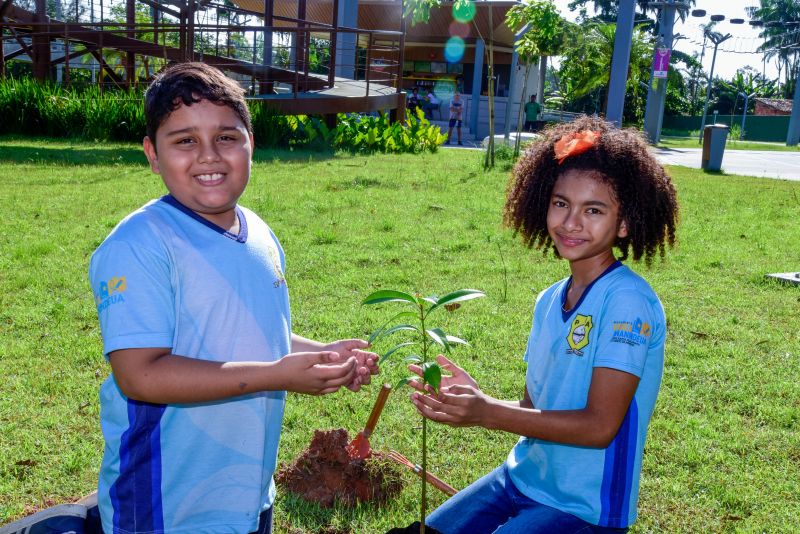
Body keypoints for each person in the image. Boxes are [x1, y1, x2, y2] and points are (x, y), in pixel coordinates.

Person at [88, 62, 379, 534]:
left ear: (251, 144)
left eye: (227, 137)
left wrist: (320, 354)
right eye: (184, 140)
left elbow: (254, 336)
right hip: (166, 504)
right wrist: (275, 374)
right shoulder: (138, 245)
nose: (209, 156)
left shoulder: (259, 232)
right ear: (153, 155)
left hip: (247, 494)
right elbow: (140, 375)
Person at [408, 116, 679, 533]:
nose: (571, 223)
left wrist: (486, 414)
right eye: (560, 203)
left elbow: (598, 427)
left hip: (584, 508)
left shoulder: (627, 302)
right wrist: (480, 398)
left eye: (594, 210)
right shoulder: (549, 299)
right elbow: (534, 411)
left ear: (624, 223)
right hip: (521, 478)